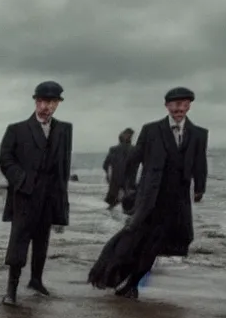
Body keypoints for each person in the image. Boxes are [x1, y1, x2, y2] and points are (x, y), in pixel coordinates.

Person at [88, 87, 208, 298]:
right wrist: (128, 187)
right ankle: (109, 275)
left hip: (177, 202)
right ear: (167, 106)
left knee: (156, 245)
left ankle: (131, 285)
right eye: (175, 104)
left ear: (189, 105)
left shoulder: (198, 134)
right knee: (132, 239)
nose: (179, 108)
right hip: (150, 199)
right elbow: (133, 160)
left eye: (184, 103)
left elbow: (200, 162)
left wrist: (200, 188)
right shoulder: (151, 130)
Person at [0, 80, 73, 305]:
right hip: (25, 195)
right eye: (41, 101)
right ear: (35, 102)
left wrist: (62, 196)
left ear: (57, 104)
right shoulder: (17, 129)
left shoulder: (63, 129)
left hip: (50, 195)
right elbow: (5, 159)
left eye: (51, 102)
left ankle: (36, 281)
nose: (45, 106)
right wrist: (22, 181)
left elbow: (64, 165)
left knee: (42, 240)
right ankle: (11, 290)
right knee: (19, 241)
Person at [102, 127, 137, 209]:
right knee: (129, 204)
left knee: (114, 204)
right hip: (128, 181)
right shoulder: (133, 149)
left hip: (116, 181)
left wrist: (108, 175)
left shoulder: (113, 149)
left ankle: (110, 218)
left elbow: (105, 165)